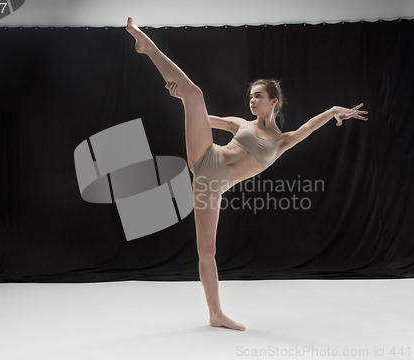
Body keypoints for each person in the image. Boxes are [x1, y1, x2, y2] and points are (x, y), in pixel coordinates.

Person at [126, 17, 368, 331]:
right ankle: (147, 46)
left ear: (273, 101)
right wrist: (185, 102)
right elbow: (208, 120)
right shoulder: (242, 124)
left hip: (210, 186)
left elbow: (309, 127)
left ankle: (215, 314)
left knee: (207, 250)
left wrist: (335, 110)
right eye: (251, 96)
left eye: (258, 96)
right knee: (194, 94)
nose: (252, 100)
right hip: (206, 156)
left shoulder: (282, 141)